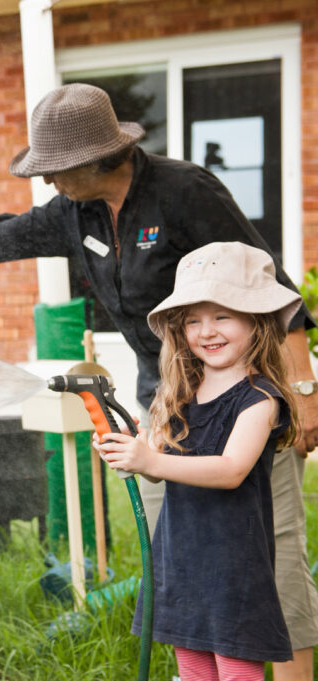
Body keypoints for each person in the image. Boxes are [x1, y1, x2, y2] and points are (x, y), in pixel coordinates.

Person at [0, 82, 318, 680]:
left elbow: (271, 289)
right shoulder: (76, 214)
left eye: (55, 168)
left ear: (97, 157)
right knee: (181, 561)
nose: (46, 181)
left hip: (241, 400)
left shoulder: (184, 192)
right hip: (171, 405)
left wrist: (303, 391)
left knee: (267, 554)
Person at [94, 241, 301, 680]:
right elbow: (160, 473)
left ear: (257, 320)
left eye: (222, 315)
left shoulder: (260, 398)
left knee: (235, 668)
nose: (207, 330)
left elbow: (230, 470)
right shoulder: (180, 395)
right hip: (181, 559)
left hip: (233, 568)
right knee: (192, 671)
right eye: (193, 320)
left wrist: (151, 461)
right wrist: (134, 449)